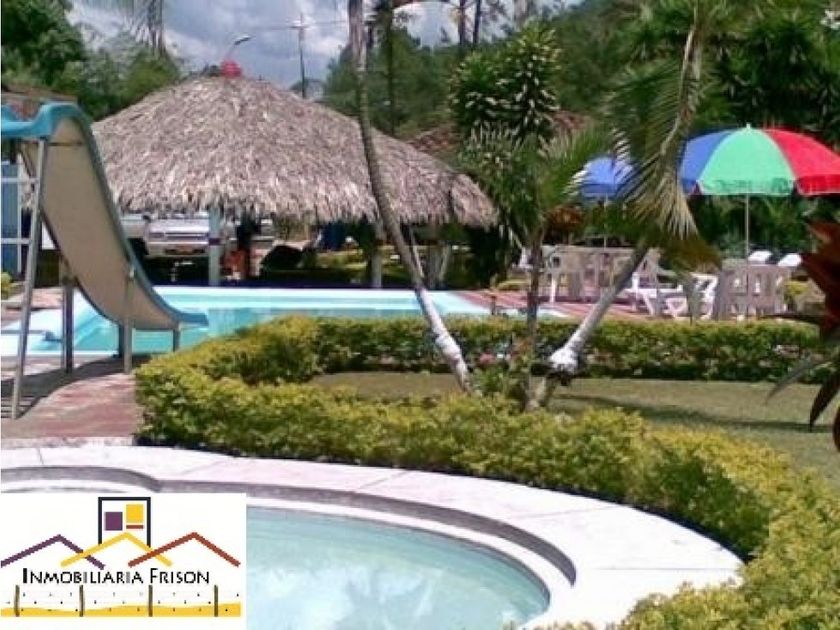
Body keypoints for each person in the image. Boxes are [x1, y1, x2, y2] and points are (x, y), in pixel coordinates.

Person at [235, 211, 260, 279]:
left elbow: (256, 230)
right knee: (247, 265)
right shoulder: (248, 227)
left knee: (244, 266)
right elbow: (257, 230)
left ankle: (244, 276)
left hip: (242, 248)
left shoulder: (239, 228)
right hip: (246, 248)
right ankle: (246, 275)